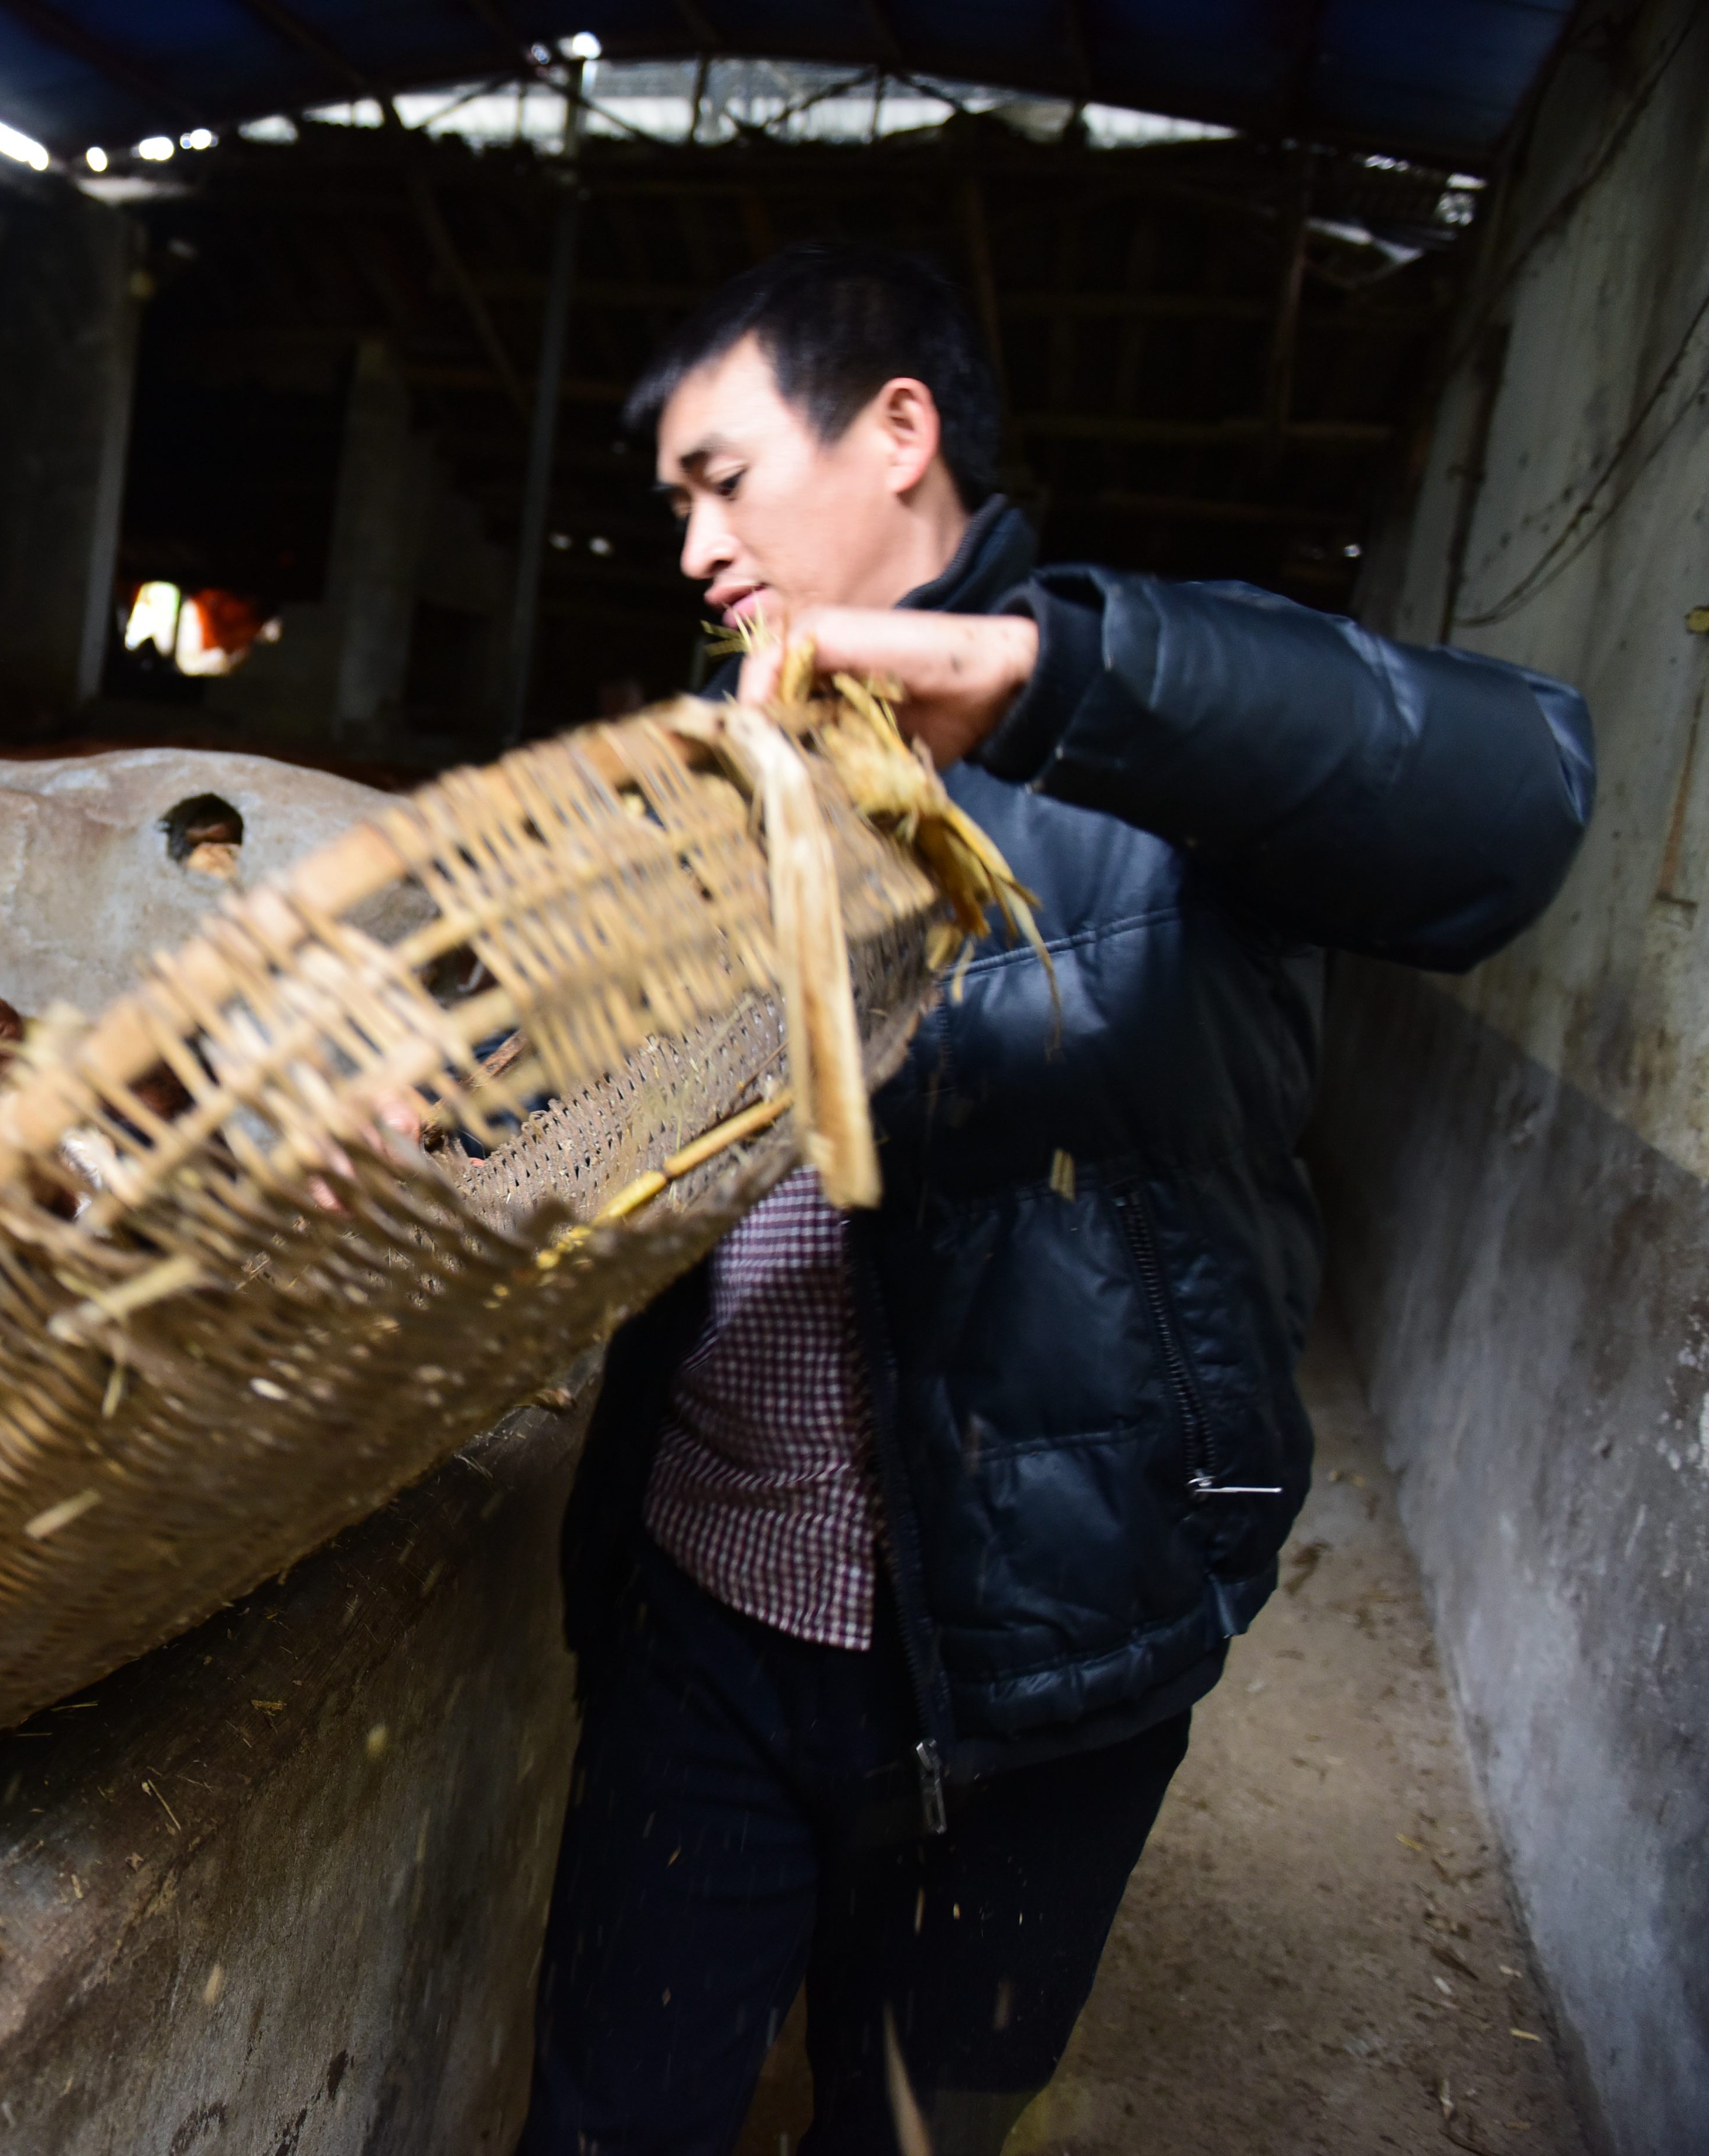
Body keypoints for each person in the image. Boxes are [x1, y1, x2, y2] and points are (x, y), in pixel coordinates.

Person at [519, 243, 1594, 2156]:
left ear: (898, 434)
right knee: (611, 2125)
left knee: (903, 2132)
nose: (691, 543)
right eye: (674, 499)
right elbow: (626, 1139)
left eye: (724, 477)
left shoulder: (1155, 730)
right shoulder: (716, 781)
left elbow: (1518, 800)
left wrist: (1044, 677)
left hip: (1043, 1675)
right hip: (706, 1617)